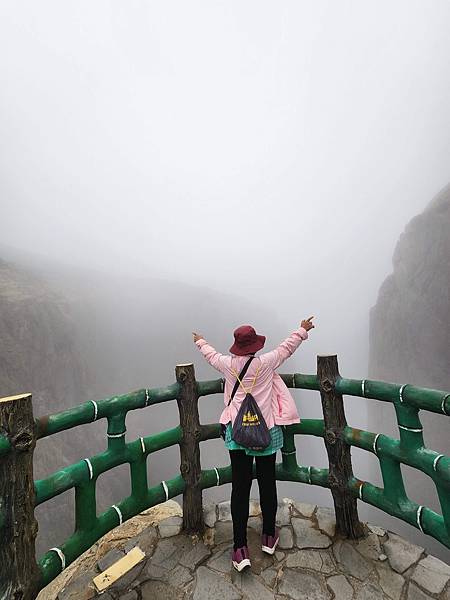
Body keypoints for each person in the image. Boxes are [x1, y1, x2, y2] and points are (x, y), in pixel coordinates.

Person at [193, 317, 315, 572]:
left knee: (240, 488)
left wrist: (200, 341)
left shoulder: (227, 366)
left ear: (236, 346)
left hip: (237, 435)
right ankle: (269, 537)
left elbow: (211, 356)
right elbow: (287, 347)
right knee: (267, 483)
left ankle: (240, 549)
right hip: (266, 433)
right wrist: (303, 329)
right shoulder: (267, 363)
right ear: (256, 345)